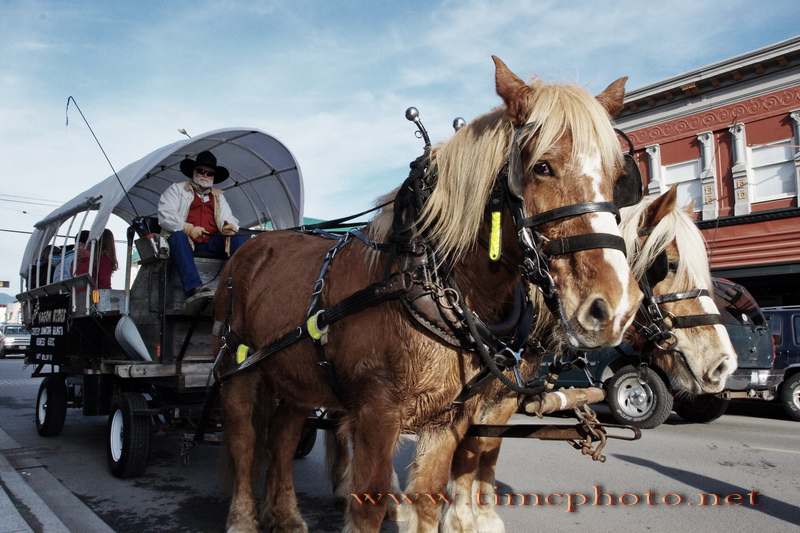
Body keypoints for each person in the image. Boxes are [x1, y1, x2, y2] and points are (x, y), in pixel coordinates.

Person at [157, 150, 243, 298]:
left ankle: (239, 285)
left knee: (237, 238)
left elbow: (228, 218)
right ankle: (194, 287)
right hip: (186, 241)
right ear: (193, 172)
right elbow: (166, 215)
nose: (205, 176)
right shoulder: (176, 190)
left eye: (209, 173)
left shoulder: (218, 197)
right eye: (201, 171)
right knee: (177, 237)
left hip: (210, 241)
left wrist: (228, 227)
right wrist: (187, 228)